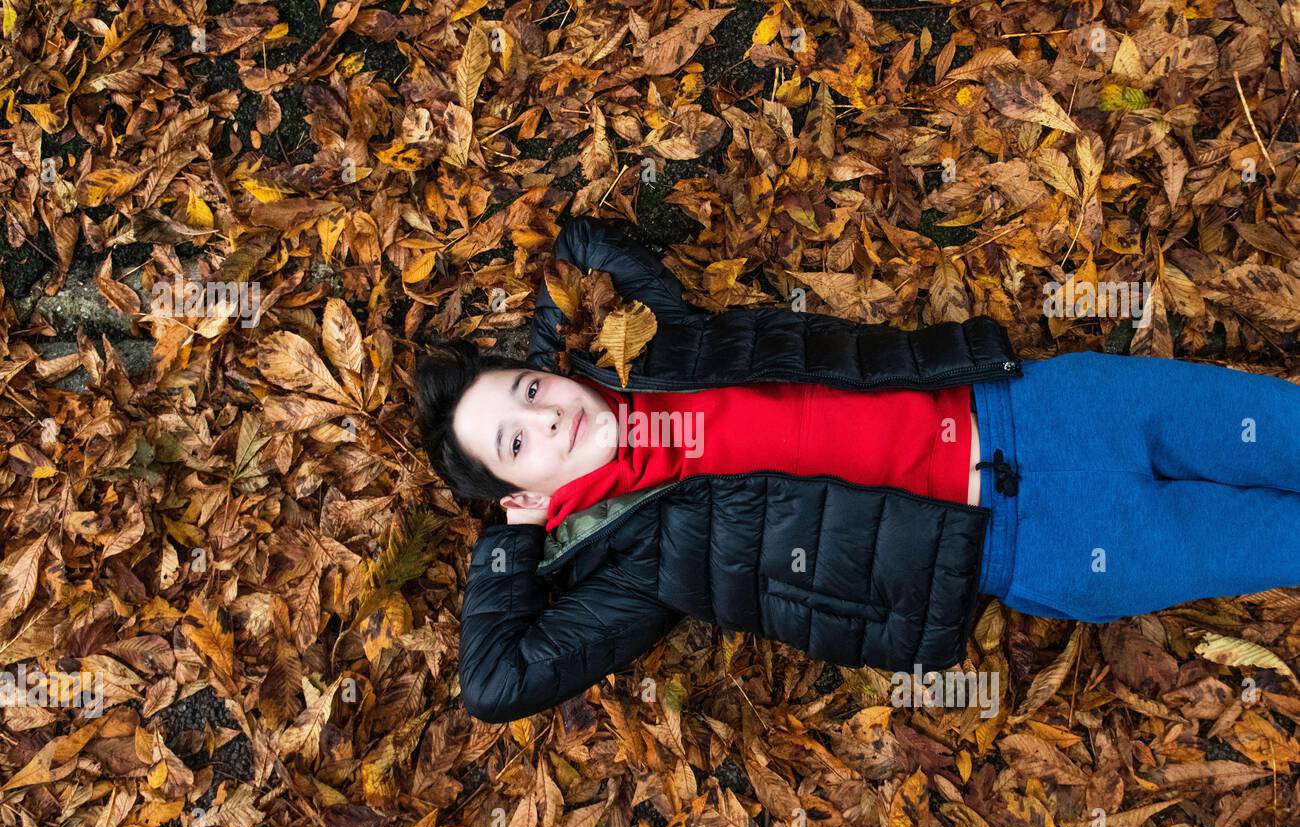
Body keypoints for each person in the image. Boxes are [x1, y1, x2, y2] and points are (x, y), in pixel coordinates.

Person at [414, 216, 1300, 723]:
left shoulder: (656, 345)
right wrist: (513, 541)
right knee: (1278, 540)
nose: (546, 415)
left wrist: (549, 343)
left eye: (529, 389)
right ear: (524, 490)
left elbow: (579, 248)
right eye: (517, 443)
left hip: (1043, 406)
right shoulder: (641, 563)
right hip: (1037, 546)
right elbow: (496, 682)